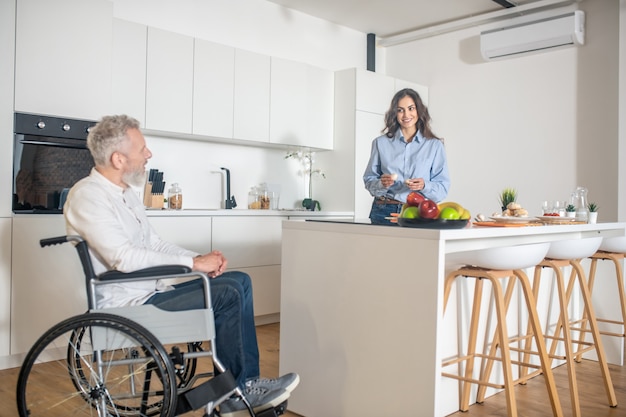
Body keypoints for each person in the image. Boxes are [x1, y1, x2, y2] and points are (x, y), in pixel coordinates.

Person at [64, 115, 298, 417]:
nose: (149, 154)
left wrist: (199, 261)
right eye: (143, 148)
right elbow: (123, 257)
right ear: (118, 158)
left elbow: (155, 245)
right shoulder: (88, 196)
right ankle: (240, 390)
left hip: (151, 294)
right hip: (129, 308)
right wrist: (193, 263)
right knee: (229, 292)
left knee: (239, 280)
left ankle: (240, 388)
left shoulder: (125, 195)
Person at [363, 88, 450, 225]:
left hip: (418, 211)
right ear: (395, 113)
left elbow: (442, 189)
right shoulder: (380, 143)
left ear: (418, 110)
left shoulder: (434, 145)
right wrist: (381, 183)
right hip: (383, 210)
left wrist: (424, 185)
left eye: (411, 108)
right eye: (400, 110)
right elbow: (369, 180)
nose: (406, 115)